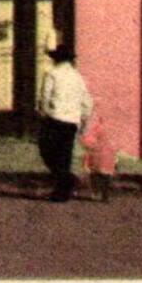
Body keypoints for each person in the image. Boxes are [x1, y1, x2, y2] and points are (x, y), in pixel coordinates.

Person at [37, 43, 93, 202]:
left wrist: (44, 114)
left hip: (54, 118)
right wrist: (84, 121)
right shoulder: (77, 77)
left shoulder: (51, 74)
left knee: (47, 151)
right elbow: (87, 102)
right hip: (72, 121)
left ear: (56, 59)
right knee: (65, 155)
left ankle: (66, 181)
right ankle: (62, 191)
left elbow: (45, 98)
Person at [81, 106, 118, 202]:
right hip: (108, 158)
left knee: (95, 176)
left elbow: (87, 141)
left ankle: (96, 193)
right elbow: (116, 145)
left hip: (96, 156)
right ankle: (105, 194)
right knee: (106, 177)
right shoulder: (113, 130)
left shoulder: (96, 129)